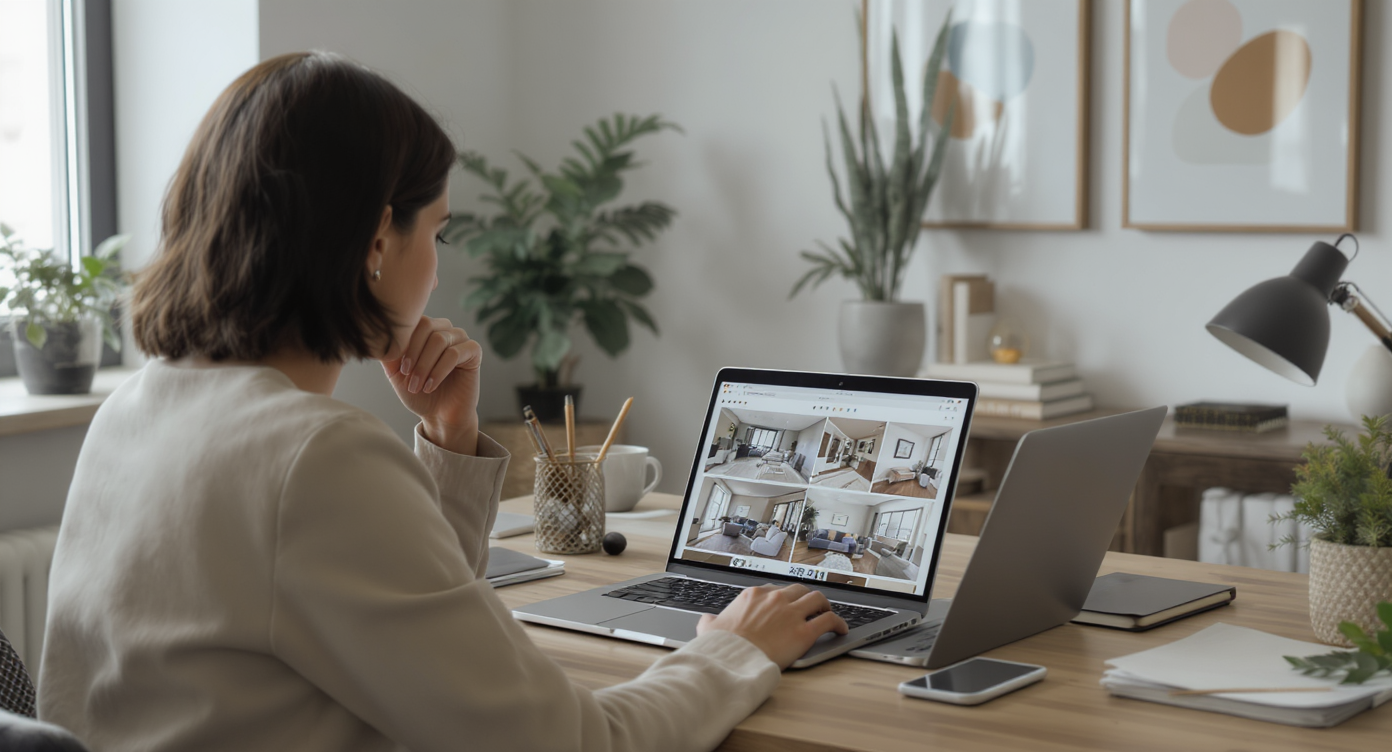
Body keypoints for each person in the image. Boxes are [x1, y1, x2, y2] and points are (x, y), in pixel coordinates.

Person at [36, 52, 847, 752]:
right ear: (376, 241)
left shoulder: (133, 412)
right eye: (439, 232)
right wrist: (734, 649)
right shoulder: (313, 454)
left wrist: (449, 438)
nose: (437, 266)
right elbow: (573, 744)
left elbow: (416, 642)